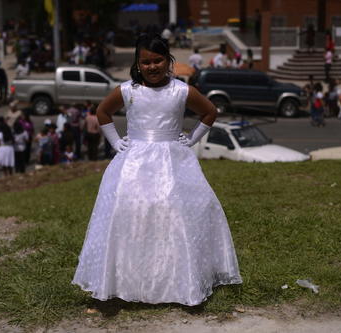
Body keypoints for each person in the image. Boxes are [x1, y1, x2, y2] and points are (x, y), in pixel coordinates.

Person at [72, 33, 241, 305]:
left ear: (168, 60)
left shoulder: (181, 90)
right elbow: (102, 112)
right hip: (134, 162)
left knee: (174, 213)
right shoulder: (128, 91)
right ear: (137, 64)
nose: (152, 67)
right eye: (145, 62)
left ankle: (177, 279)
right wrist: (116, 142)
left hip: (172, 159)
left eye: (158, 60)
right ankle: (128, 278)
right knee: (131, 213)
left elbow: (209, 112)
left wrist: (192, 139)